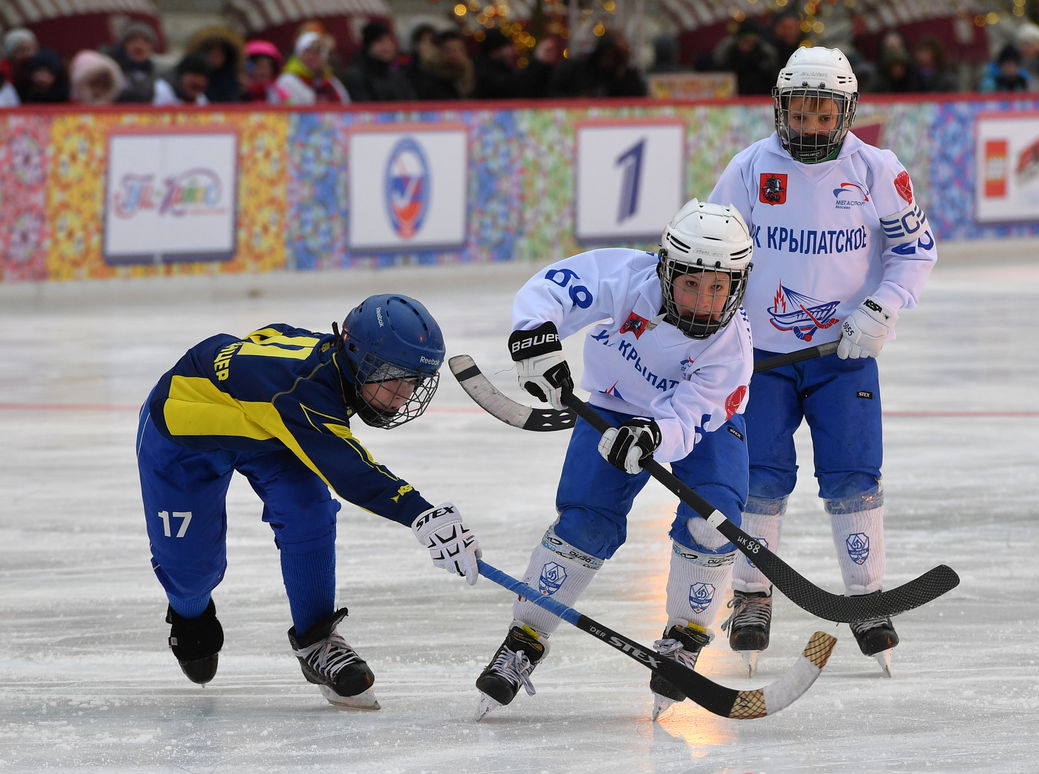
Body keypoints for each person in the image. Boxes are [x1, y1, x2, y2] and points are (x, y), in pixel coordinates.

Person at [475, 199, 754, 721]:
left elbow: (691, 419)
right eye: (691, 283)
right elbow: (555, 288)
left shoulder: (731, 348)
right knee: (583, 523)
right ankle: (525, 636)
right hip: (611, 401)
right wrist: (534, 337)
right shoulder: (628, 277)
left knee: (713, 521)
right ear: (666, 270)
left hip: (693, 423)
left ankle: (684, 639)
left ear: (738, 286)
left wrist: (654, 437)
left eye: (718, 288)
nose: (702, 301)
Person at [136, 295, 483, 710]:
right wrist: (420, 512)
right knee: (192, 573)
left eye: (414, 382)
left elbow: (271, 336)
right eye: (394, 378)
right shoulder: (303, 388)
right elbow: (351, 472)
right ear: (359, 358)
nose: (404, 395)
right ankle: (189, 613)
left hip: (268, 429)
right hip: (184, 433)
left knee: (309, 510)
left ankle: (317, 640)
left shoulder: (332, 370)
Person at [708, 46, 936, 676]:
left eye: (822, 114)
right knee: (759, 477)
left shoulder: (877, 169)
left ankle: (866, 599)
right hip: (761, 362)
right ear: (780, 109)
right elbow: (713, 251)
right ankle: (753, 594)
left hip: (845, 356)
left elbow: (915, 251)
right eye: (798, 114)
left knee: (854, 477)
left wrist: (883, 307)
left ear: (846, 111)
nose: (808, 127)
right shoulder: (751, 168)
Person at [340, 19, 416, 102]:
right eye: (380, 41)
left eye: (389, 41)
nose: (387, 47)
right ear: (368, 46)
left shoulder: (397, 75)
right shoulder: (355, 76)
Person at [276, 30, 350, 104]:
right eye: (308, 51)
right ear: (299, 55)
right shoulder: (287, 81)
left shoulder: (332, 82)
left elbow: (346, 108)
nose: (312, 56)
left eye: (317, 52)